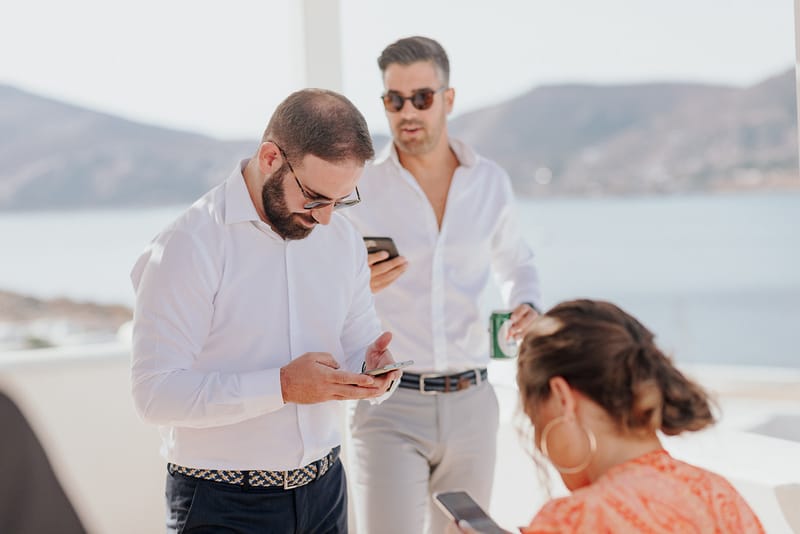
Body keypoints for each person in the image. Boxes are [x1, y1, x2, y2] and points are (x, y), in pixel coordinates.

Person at [130, 89, 402, 534]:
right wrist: (282, 386)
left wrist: (375, 374)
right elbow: (155, 395)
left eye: (341, 199)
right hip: (222, 506)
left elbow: (358, 341)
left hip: (326, 492)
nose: (327, 219)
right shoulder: (189, 244)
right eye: (315, 197)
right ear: (271, 157)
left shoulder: (343, 240)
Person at [343, 36, 542, 534]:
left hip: (472, 403)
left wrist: (527, 303)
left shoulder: (489, 181)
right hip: (388, 404)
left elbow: (517, 261)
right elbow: (318, 282)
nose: (408, 112)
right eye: (395, 100)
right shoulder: (360, 187)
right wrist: (355, 283)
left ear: (447, 99)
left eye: (422, 98)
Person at [457, 299, 765, 533]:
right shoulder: (719, 495)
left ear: (563, 399)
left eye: (535, 419)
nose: (540, 443)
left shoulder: (573, 520)